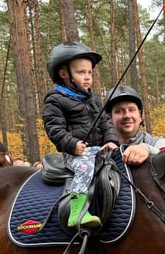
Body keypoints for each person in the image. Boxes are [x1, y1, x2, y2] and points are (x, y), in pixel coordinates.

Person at [79, 85, 165, 254]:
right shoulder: (97, 143)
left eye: (132, 110)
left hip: (147, 225)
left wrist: (145, 148)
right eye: (119, 111)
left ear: (140, 116)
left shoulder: (153, 140)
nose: (127, 115)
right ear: (110, 118)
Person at [42, 41, 119, 230]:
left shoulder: (93, 99)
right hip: (74, 154)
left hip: (98, 150)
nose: (87, 77)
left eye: (89, 73)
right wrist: (72, 144)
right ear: (64, 74)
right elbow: (54, 129)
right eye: (81, 72)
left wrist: (110, 140)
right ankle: (77, 212)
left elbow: (105, 122)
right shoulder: (55, 100)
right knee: (85, 167)